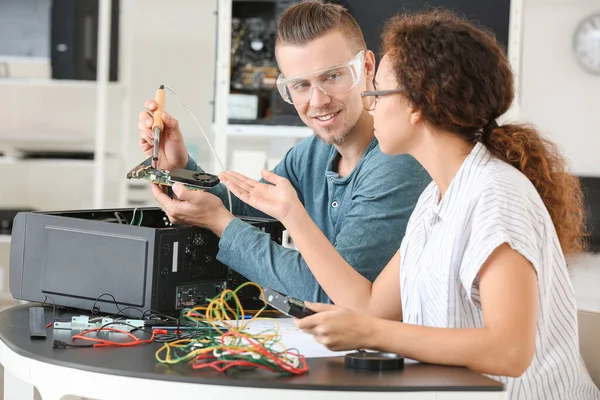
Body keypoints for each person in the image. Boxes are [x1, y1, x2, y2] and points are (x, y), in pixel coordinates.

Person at [219, 9, 600, 400]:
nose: (368, 104)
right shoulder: (433, 201)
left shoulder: (495, 194)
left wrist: (371, 334)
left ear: (417, 105)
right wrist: (291, 215)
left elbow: (510, 351)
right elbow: (368, 306)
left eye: (377, 92)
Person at [137, 1, 430, 302]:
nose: (318, 101)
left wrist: (219, 223)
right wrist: (181, 166)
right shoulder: (311, 154)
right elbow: (246, 208)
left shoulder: (397, 163)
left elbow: (334, 293)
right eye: (301, 85)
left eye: (332, 76)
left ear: (367, 67)